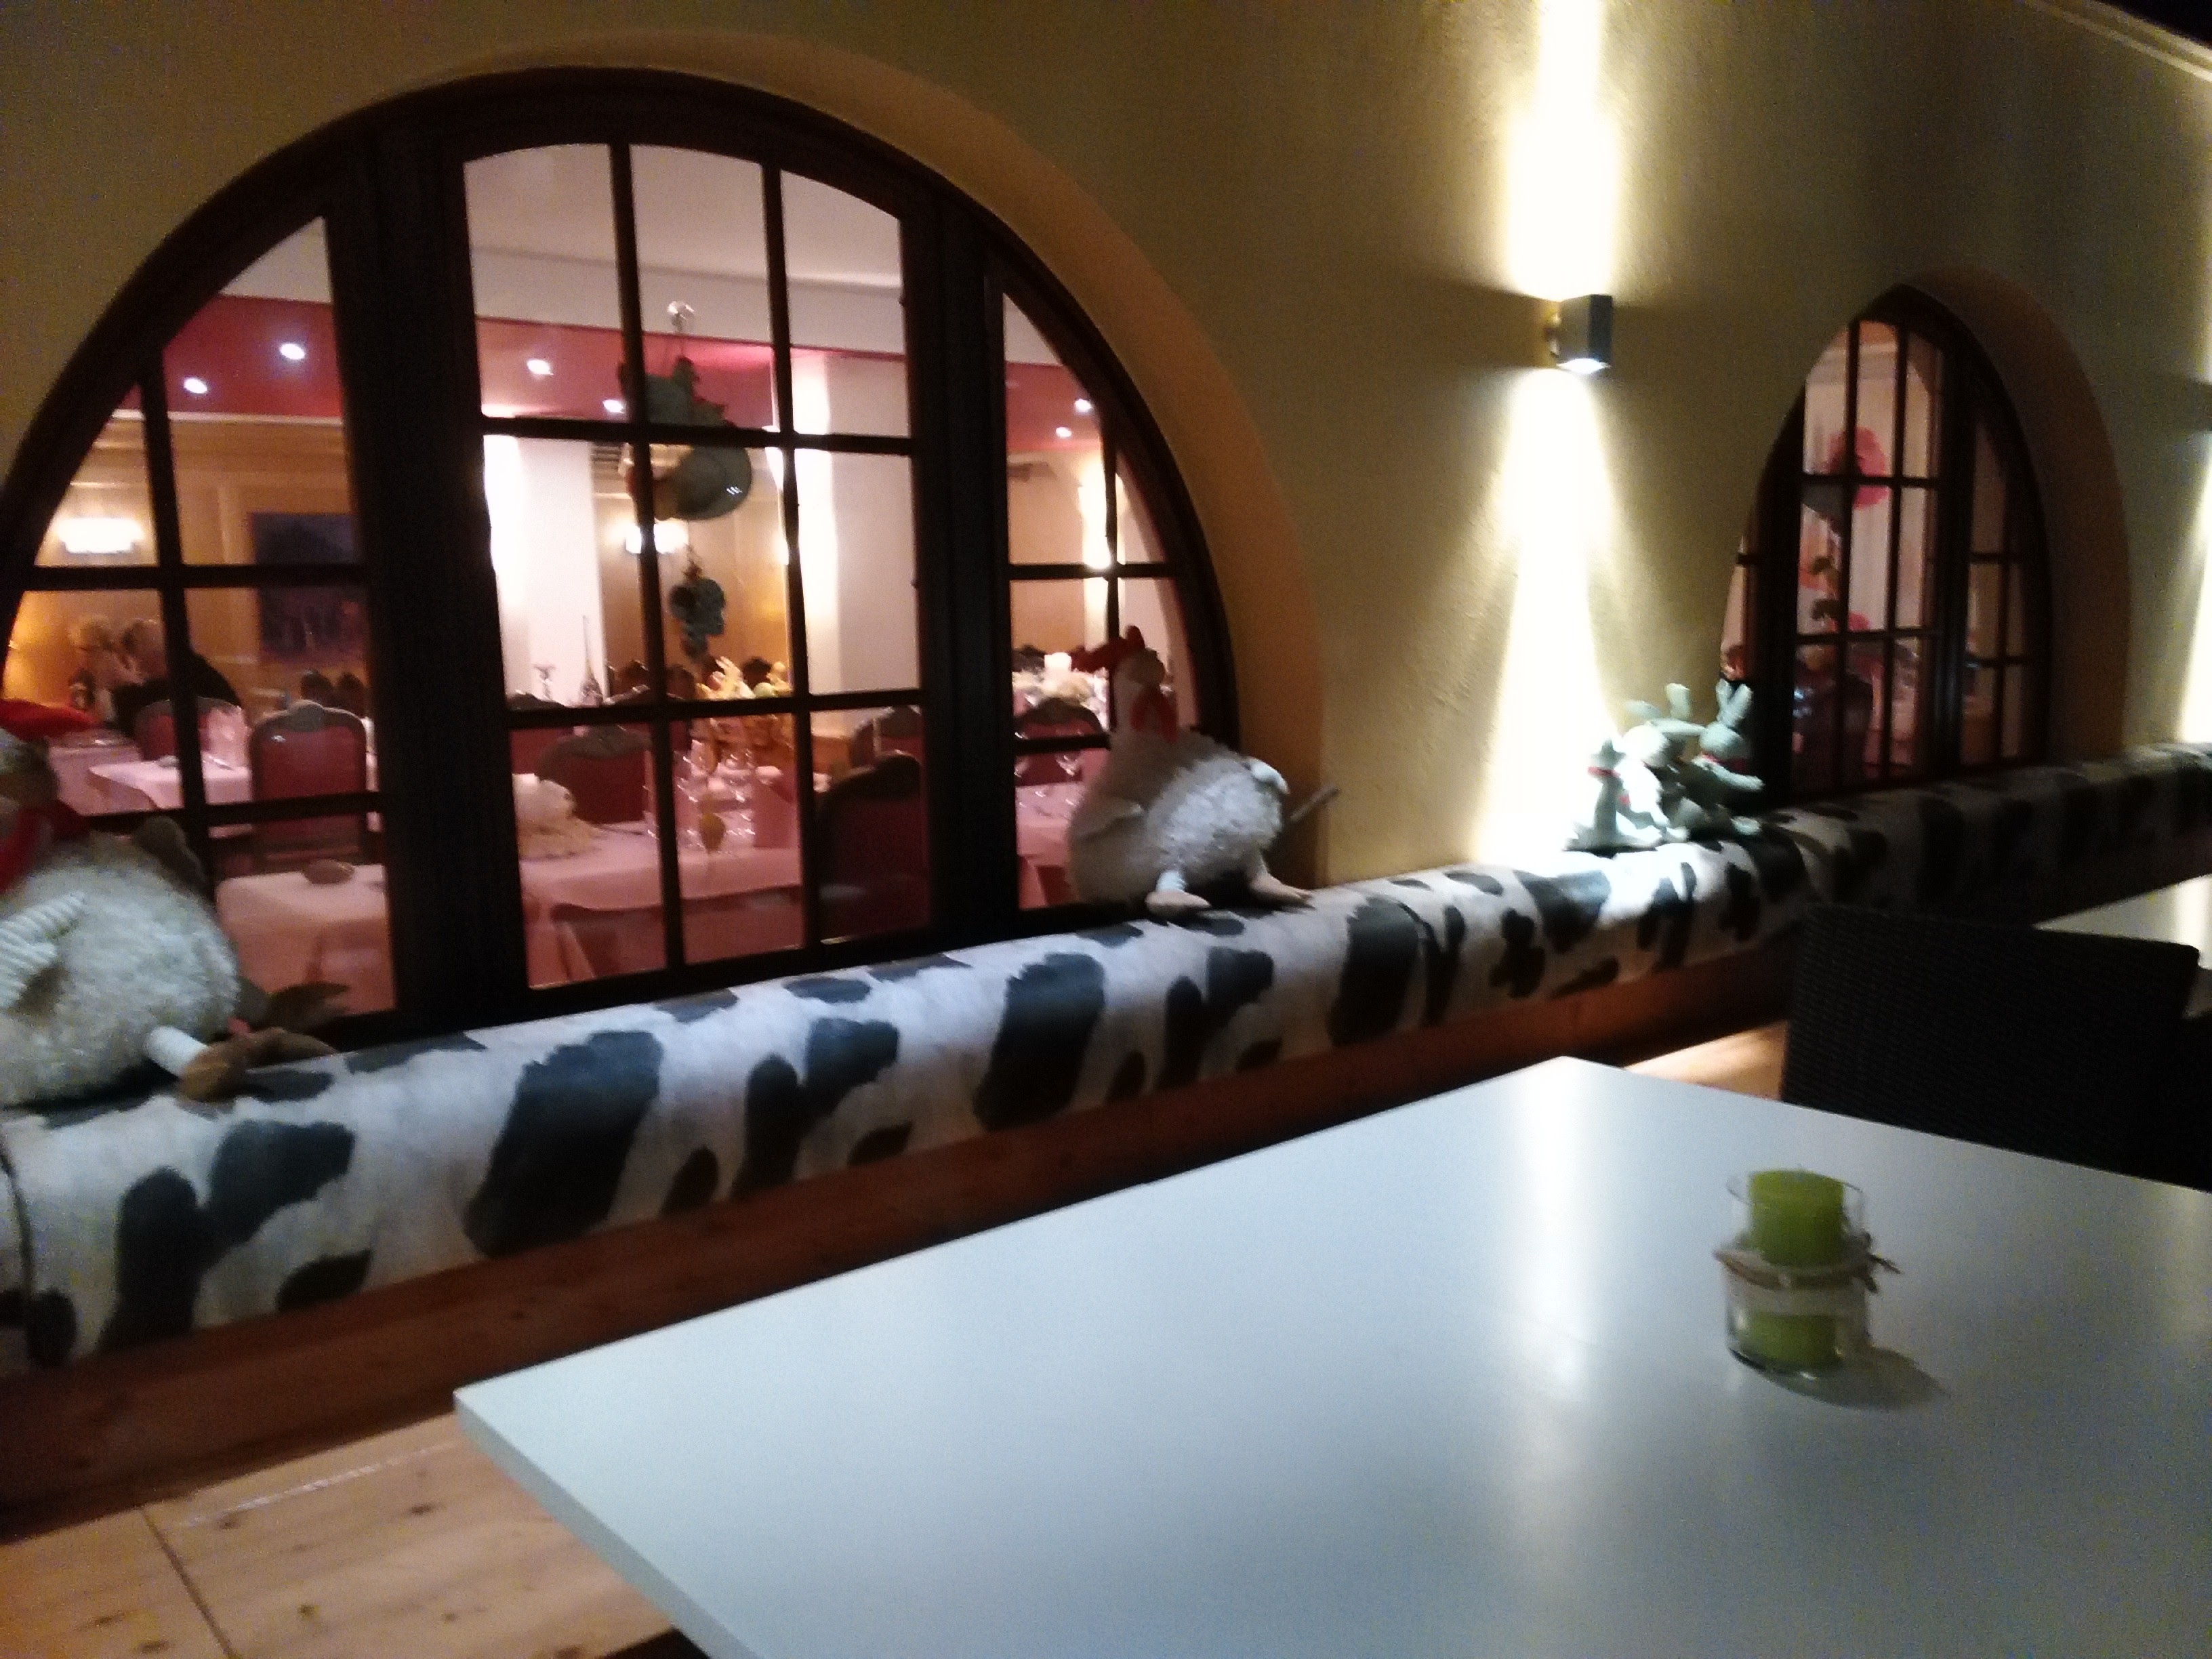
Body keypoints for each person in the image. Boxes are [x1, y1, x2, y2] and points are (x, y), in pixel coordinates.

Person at [109, 619, 242, 740]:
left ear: (143, 655)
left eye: (131, 660)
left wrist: (122, 684)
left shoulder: (181, 680)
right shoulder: (197, 670)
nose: (139, 668)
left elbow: (134, 728)